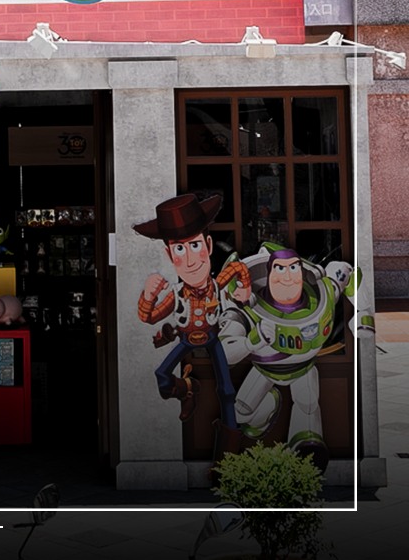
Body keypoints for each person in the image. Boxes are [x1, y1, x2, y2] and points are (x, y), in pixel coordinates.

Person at [219, 243, 374, 471]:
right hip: (265, 369)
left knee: (307, 404)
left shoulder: (322, 293)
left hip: (304, 367)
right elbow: (224, 351)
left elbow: (346, 273)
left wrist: (364, 313)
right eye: (280, 269)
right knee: (242, 412)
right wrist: (250, 341)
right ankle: (265, 410)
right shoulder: (246, 310)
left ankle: (306, 448)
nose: (288, 277)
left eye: (294, 268)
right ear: (269, 274)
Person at [134, 192, 249, 464]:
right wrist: (148, 295)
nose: (190, 260)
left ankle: (227, 461)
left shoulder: (217, 284)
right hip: (186, 340)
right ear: (169, 254)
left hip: (212, 338)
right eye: (179, 250)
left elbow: (237, 268)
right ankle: (187, 388)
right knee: (161, 374)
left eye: (195, 245)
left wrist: (244, 288)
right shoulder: (176, 294)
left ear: (208, 245)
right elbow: (149, 317)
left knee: (226, 390)